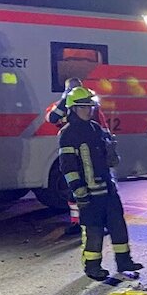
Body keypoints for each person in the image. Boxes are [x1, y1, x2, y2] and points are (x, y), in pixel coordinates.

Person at [59, 87, 143, 281]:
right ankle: (92, 266)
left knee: (118, 227)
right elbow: (68, 166)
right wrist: (79, 190)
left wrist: (111, 152)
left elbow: (108, 160)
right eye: (83, 107)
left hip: (108, 189)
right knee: (93, 231)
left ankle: (124, 261)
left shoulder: (96, 128)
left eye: (90, 106)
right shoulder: (68, 134)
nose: (88, 110)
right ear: (73, 109)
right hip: (88, 193)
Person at [46, 77, 108, 233]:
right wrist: (64, 99)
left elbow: (101, 123)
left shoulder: (87, 104)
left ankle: (100, 222)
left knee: (96, 189)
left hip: (91, 149)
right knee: (73, 189)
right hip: (72, 148)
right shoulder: (66, 105)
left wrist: (106, 143)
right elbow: (51, 118)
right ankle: (77, 222)